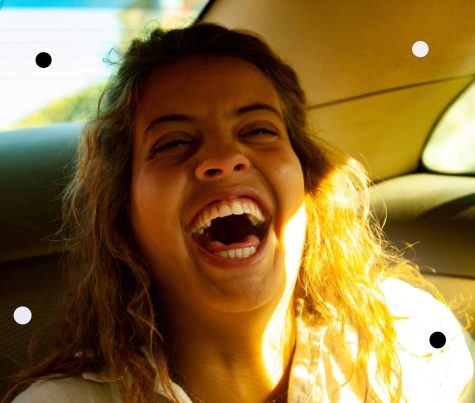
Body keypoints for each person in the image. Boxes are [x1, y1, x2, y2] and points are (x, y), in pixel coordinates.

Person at [3, 23, 474, 403]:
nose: (225, 158)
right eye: (174, 143)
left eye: (259, 130)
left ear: (309, 180)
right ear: (122, 216)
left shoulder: (411, 339)